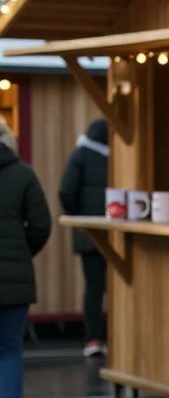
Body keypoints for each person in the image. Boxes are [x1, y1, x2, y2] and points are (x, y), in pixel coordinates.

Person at [0, 123, 53, 398]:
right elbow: (41, 225)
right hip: (15, 281)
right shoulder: (23, 174)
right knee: (9, 348)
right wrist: (21, 254)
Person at [58, 118, 110, 358]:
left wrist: (78, 217)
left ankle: (93, 338)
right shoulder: (116, 157)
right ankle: (115, 336)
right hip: (116, 234)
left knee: (94, 288)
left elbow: (65, 192)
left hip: (88, 235)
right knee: (118, 288)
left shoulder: (79, 156)